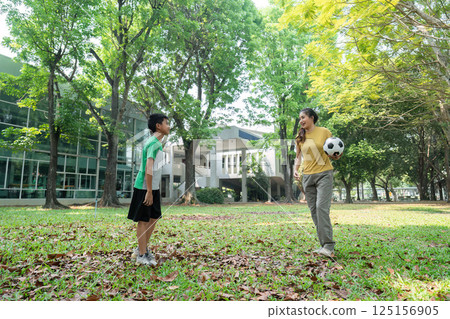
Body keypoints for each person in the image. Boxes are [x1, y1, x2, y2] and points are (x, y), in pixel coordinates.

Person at [293, 108, 341, 258]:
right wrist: (295, 170)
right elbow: (298, 157)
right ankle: (323, 246)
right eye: (300, 118)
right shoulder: (300, 137)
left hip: (324, 174)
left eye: (303, 117)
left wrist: (335, 156)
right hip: (307, 177)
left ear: (311, 117)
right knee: (314, 211)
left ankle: (328, 246)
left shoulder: (324, 132)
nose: (301, 120)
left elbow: (332, 151)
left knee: (321, 208)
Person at [128, 113, 170, 266]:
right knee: (143, 220)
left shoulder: (157, 143)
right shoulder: (153, 143)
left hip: (154, 187)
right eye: (166, 123)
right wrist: (149, 191)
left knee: (153, 218)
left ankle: (141, 248)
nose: (169, 126)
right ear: (158, 126)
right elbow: (149, 168)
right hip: (145, 187)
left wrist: (154, 189)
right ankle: (141, 254)